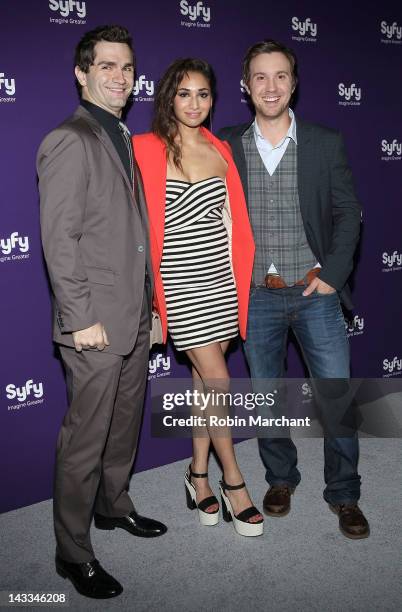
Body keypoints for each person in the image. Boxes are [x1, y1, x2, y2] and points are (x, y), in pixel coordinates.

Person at [218, 39, 369, 539]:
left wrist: (334, 274)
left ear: (294, 83)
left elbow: (349, 213)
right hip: (256, 294)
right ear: (245, 85)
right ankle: (280, 479)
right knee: (266, 396)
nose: (271, 86)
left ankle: (344, 492)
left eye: (280, 76)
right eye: (260, 76)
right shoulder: (226, 144)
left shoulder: (325, 142)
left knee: (336, 398)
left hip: (314, 292)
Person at [37, 25, 167, 599]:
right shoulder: (70, 138)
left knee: (123, 427)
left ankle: (114, 507)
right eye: (108, 66)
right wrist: (79, 316)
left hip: (133, 316)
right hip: (92, 322)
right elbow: (59, 241)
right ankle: (72, 551)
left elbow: (136, 237)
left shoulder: (121, 135)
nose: (121, 77)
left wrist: (151, 309)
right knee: (85, 439)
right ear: (82, 72)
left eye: (128, 68)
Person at [133, 58, 263, 537]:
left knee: (202, 385)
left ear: (214, 99)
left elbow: (233, 225)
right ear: (168, 96)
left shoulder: (220, 149)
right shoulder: (144, 148)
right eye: (184, 93)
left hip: (220, 282)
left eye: (203, 94)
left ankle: (197, 474)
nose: (194, 103)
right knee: (218, 380)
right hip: (178, 284)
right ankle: (234, 482)